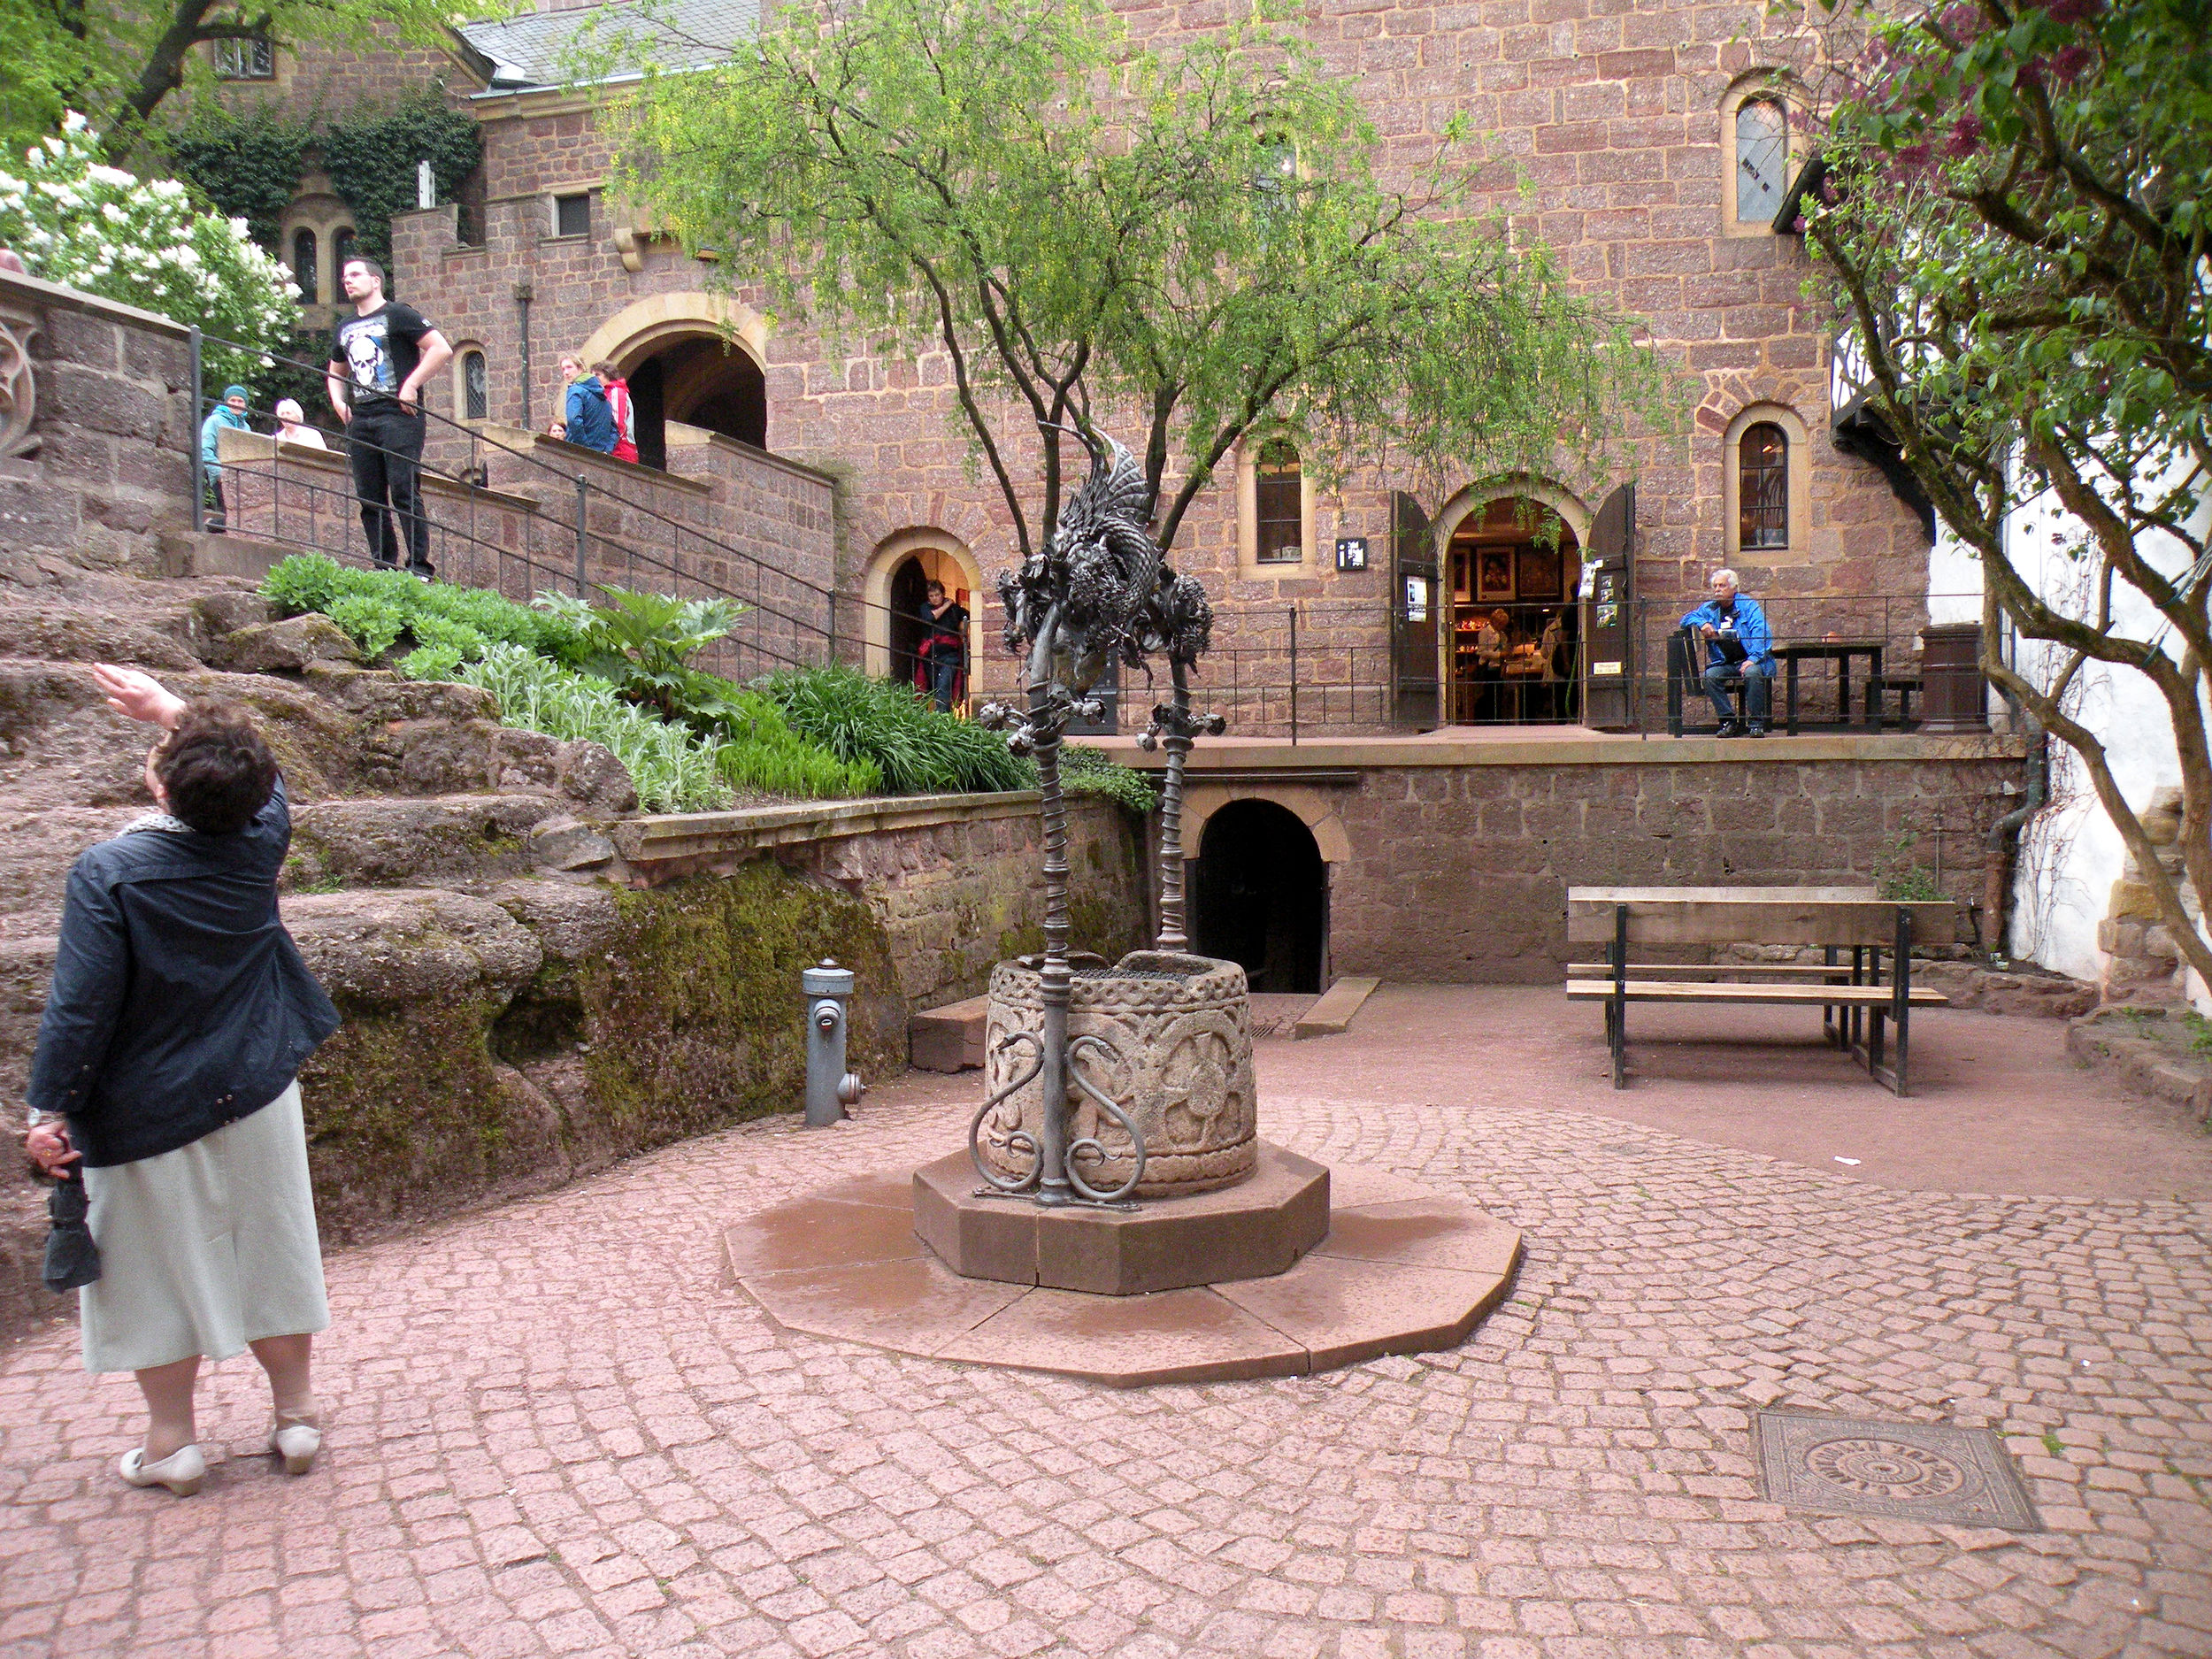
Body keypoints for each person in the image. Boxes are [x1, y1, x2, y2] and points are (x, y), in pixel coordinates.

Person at [22, 665, 342, 1497]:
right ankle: (296, 1416)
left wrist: (49, 1108)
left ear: (161, 785)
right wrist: (170, 708)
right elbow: (264, 777)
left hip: (146, 1106)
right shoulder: (259, 838)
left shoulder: (108, 872)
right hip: (258, 1086)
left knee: (149, 1274)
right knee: (272, 1249)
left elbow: (80, 1006)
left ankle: (173, 1444)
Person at [326, 256, 451, 580]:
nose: (347, 280)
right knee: (370, 497)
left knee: (404, 490)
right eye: (345, 276)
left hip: (399, 416)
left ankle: (419, 567)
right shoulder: (344, 327)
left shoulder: (398, 314)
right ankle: (383, 566)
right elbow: (336, 371)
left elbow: (440, 348)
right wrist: (339, 403)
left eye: (355, 274)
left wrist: (410, 385)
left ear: (375, 281)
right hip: (362, 419)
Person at [1680, 566, 1775, 737]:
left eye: (1722, 585)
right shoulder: (1709, 608)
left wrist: (1753, 658)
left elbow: (1762, 633)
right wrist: (1702, 623)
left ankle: (1756, 723)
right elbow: (1686, 619)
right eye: (1715, 586)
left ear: (1734, 588)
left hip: (1750, 660)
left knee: (1753, 673)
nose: (1717, 590)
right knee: (1710, 676)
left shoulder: (1748, 606)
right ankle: (1728, 721)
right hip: (1725, 662)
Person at [197, 385, 250, 534]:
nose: (236, 404)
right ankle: (211, 525)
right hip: (221, 477)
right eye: (233, 400)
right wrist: (219, 472)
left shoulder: (246, 427)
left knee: (242, 517)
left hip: (242, 478)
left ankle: (212, 525)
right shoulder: (214, 421)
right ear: (226, 402)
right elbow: (205, 449)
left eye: (240, 401)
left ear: (245, 404)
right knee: (235, 517)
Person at [914, 580, 968, 711]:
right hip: (930, 655)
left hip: (949, 656)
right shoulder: (925, 608)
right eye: (931, 596)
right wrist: (946, 605)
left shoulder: (954, 609)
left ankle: (942, 717)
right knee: (931, 688)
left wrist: (962, 629)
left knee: (944, 687)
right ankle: (932, 715)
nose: (935, 598)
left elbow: (967, 615)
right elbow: (930, 618)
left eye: (937, 595)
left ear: (942, 594)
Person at [558, 355, 615, 455]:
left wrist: (585, 448)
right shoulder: (604, 399)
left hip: (578, 454)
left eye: (569, 367)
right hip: (601, 457)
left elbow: (573, 420)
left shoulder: (575, 391)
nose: (566, 372)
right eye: (563, 369)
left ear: (580, 368)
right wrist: (607, 450)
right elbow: (614, 431)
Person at [594, 361, 639, 464]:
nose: (594, 378)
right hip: (614, 449)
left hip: (620, 450)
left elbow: (617, 424)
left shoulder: (616, 392)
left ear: (608, 375)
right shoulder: (606, 394)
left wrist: (607, 448)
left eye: (597, 375)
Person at [1473, 606, 1510, 721]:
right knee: (1489, 698)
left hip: (1498, 669)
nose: (1502, 626)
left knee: (1498, 697)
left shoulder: (1502, 635)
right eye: (1500, 624)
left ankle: (1497, 719)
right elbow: (1482, 652)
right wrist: (1499, 654)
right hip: (1488, 669)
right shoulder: (1485, 633)